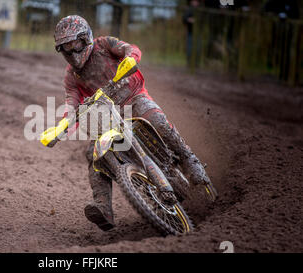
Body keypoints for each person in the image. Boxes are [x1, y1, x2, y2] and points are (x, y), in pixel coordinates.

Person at [54, 15, 212, 231]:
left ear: (86, 38)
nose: (73, 52)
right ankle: (103, 206)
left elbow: (130, 48)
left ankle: (189, 159)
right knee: (93, 152)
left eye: (76, 45)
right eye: (66, 48)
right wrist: (62, 125)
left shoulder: (104, 44)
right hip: (107, 114)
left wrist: (130, 57)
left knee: (156, 119)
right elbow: (71, 101)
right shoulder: (72, 75)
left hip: (133, 96)